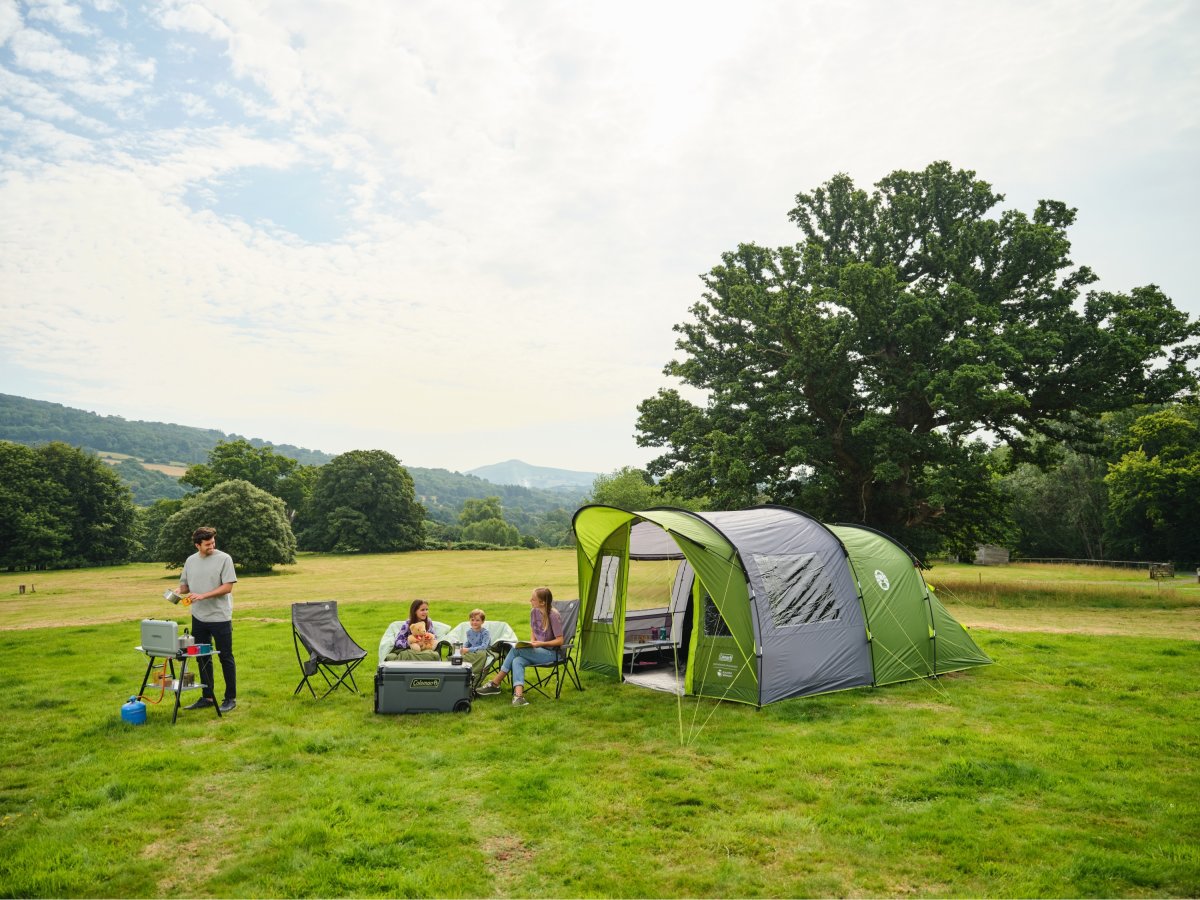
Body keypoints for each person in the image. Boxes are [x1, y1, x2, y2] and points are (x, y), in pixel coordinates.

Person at [179, 526, 238, 713]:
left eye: (213, 542)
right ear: (198, 545)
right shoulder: (190, 561)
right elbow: (185, 586)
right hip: (198, 617)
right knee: (202, 657)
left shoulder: (224, 559)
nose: (211, 546)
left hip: (220, 616)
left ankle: (230, 698)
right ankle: (207, 696)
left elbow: (228, 587)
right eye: (207, 544)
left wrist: (204, 596)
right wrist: (176, 591)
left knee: (225, 657)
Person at [476, 588, 562, 706]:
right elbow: (533, 629)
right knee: (517, 660)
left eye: (533, 599)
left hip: (552, 654)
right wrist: (532, 642)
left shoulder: (553, 615)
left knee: (515, 650)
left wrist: (541, 644)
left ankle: (495, 683)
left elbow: (560, 640)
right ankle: (518, 697)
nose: (530, 600)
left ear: (542, 602)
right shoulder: (534, 612)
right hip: (538, 650)